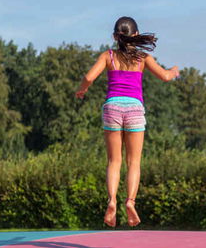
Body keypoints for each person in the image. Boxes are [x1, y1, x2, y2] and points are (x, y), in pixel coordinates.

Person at [75, 16, 179, 227]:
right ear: (135, 35)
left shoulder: (108, 56)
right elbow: (166, 77)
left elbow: (88, 77)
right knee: (134, 162)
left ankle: (112, 199)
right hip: (134, 108)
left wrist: (82, 90)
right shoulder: (142, 57)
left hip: (112, 107)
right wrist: (175, 71)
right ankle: (130, 201)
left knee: (114, 161)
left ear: (115, 36)